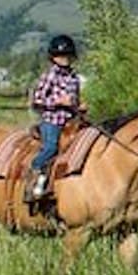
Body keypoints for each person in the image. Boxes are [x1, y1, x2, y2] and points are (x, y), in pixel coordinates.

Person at [27, 33, 83, 205]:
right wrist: (57, 101)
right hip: (52, 121)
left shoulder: (74, 78)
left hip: (71, 122)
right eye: (60, 56)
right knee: (51, 147)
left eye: (67, 55)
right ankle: (35, 170)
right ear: (53, 57)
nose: (64, 59)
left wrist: (78, 106)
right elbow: (37, 100)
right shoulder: (50, 76)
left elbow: (75, 100)